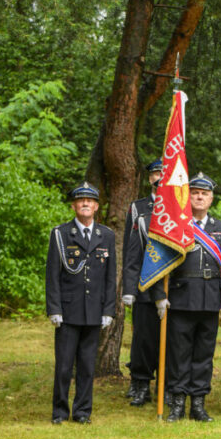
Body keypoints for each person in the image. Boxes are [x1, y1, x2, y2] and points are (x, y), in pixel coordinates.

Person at [151, 174, 221, 423]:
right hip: (181, 298)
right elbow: (159, 262)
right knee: (178, 354)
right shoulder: (174, 225)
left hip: (210, 299)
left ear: (211, 199)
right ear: (187, 197)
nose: (199, 197)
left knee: (204, 355)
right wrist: (160, 295)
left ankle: (198, 404)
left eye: (204, 193)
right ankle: (177, 403)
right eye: (195, 193)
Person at [45, 182, 116, 424]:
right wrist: (54, 308)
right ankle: (59, 412)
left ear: (96, 206)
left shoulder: (106, 235)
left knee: (87, 366)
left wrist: (108, 310)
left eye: (90, 201)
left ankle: (83, 412)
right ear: (74, 206)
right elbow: (52, 275)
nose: (85, 204)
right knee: (64, 366)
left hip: (94, 311)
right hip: (68, 311)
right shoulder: (61, 234)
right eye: (81, 200)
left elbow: (110, 277)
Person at [121, 159, 164, 407]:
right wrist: (129, 287)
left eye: (164, 173)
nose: (160, 177)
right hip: (145, 285)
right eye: (156, 173)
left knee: (170, 341)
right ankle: (140, 383)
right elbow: (131, 249)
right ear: (150, 178)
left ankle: (166, 384)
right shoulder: (138, 208)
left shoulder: (181, 208)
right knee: (143, 339)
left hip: (172, 287)